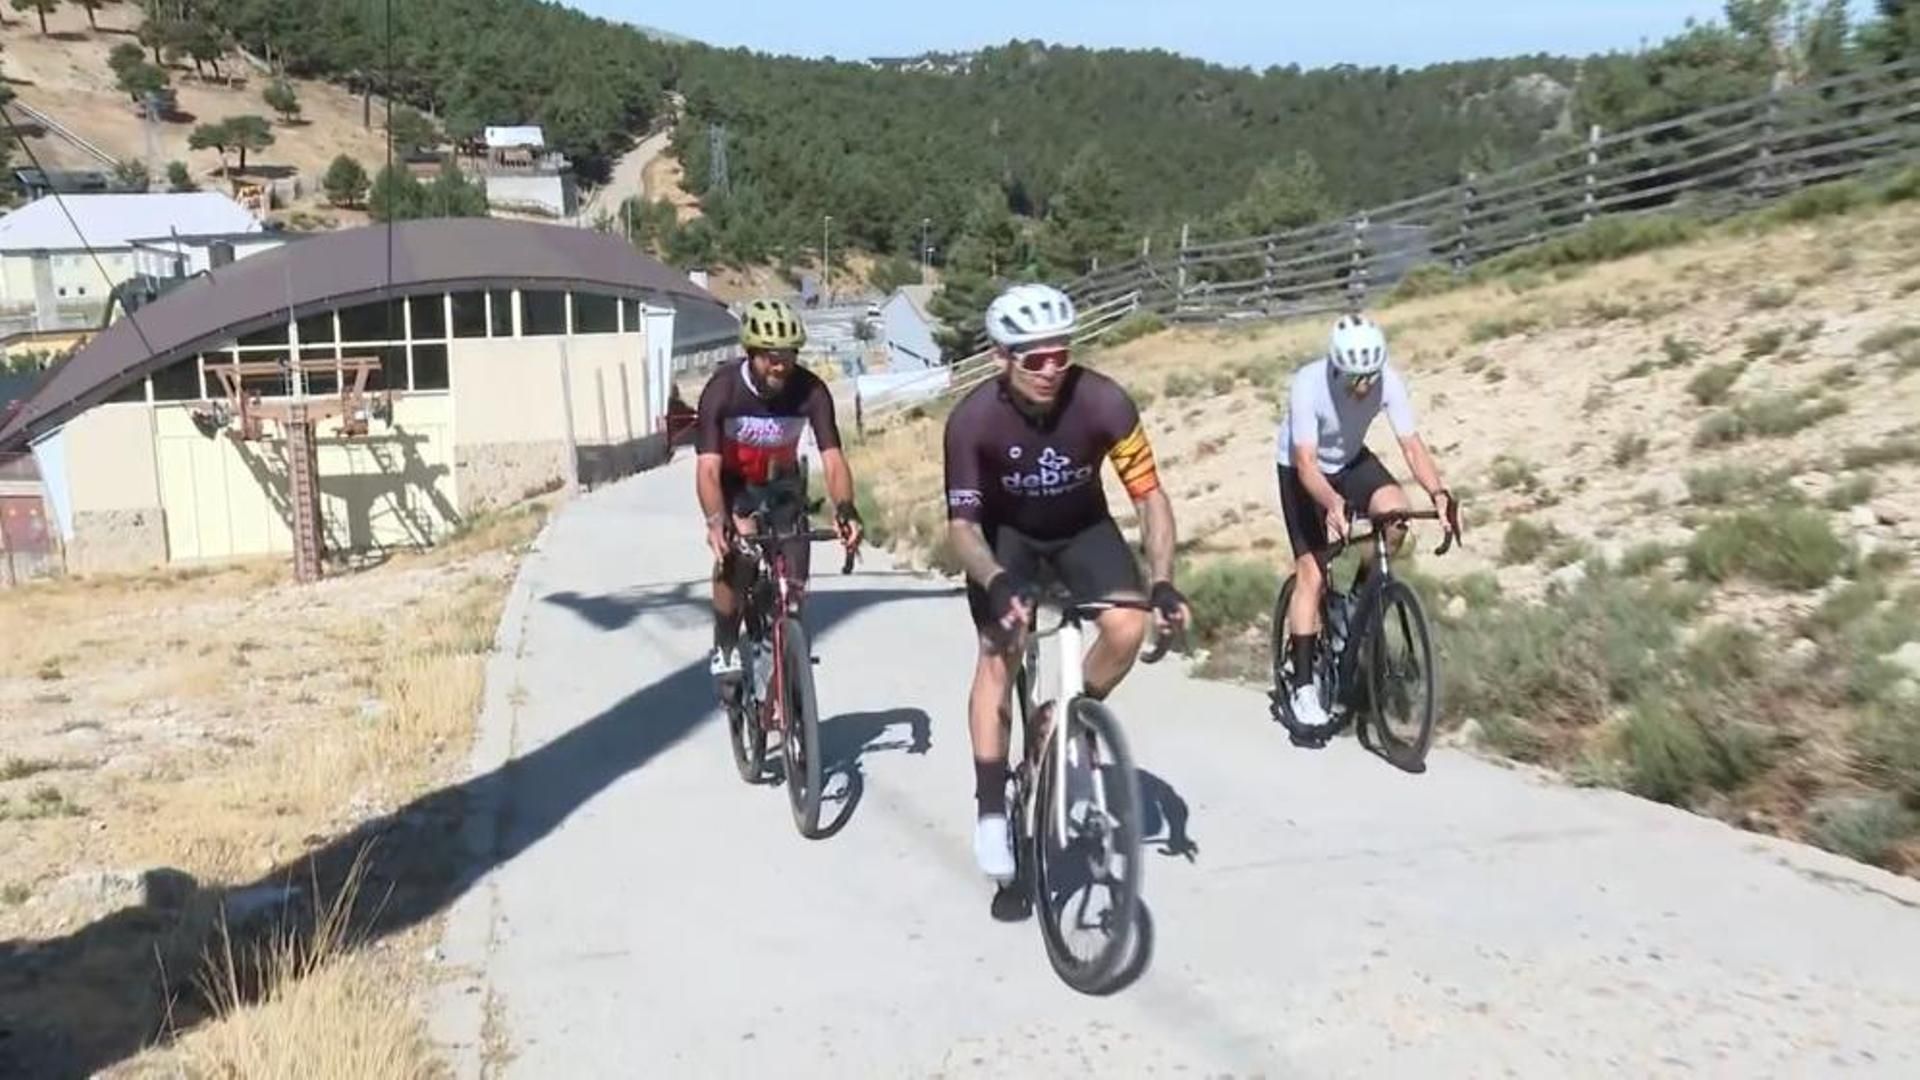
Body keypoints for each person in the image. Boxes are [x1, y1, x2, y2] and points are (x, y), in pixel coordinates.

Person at [942, 282, 1192, 884]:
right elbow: (963, 529)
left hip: (1083, 530)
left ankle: (1064, 716)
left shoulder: (1104, 402)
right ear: (1002, 358)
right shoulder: (972, 421)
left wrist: (1162, 581)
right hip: (1007, 541)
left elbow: (1150, 498)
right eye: (1035, 359)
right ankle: (993, 811)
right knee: (1000, 654)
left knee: (1127, 626)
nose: (1052, 369)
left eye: (1062, 354)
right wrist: (998, 582)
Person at [1274, 312, 1459, 743]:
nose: (1365, 387)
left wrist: (1439, 494)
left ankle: (1355, 602)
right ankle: (1304, 688)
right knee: (1313, 574)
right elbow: (1306, 465)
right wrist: (1333, 504)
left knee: (1396, 514)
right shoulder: (1308, 385)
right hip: (1304, 471)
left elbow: (1411, 446)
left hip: (1351, 460)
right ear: (1337, 367)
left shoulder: (1388, 382)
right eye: (1356, 378)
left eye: (1370, 377)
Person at [695, 297, 862, 684]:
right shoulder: (723, 391)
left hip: (782, 485)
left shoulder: (810, 391)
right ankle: (724, 644)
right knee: (740, 556)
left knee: (796, 588)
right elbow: (706, 467)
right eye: (770, 356)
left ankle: (788, 673)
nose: (780, 364)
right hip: (735, 486)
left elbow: (833, 459)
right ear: (751, 353)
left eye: (788, 354)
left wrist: (846, 509)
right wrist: (716, 522)